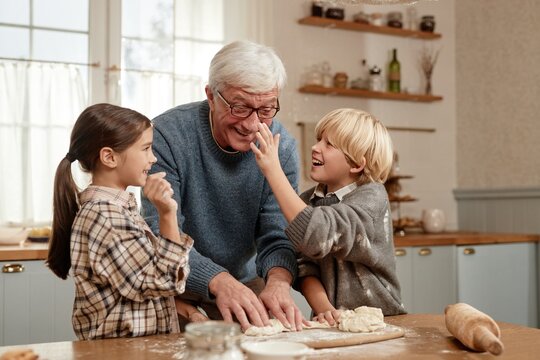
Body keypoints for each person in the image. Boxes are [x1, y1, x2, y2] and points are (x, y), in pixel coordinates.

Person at [141, 40, 303, 331]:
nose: (253, 124)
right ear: (211, 96)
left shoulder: (283, 147)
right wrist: (217, 280)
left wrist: (278, 281)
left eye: (266, 109)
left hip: (245, 280)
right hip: (175, 284)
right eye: (240, 107)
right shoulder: (166, 136)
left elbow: (277, 235)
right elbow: (160, 233)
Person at [47, 103, 194, 340]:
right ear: (109, 157)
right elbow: (163, 281)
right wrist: (167, 214)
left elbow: (141, 287)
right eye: (145, 148)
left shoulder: (117, 211)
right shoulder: (107, 218)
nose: (153, 158)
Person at [250, 108, 406, 326]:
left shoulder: (372, 197)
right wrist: (325, 310)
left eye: (329, 144)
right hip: (331, 322)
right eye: (318, 140)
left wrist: (274, 171)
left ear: (356, 164)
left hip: (381, 320)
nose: (315, 147)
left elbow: (320, 232)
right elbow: (305, 266)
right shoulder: (308, 201)